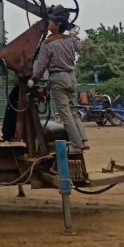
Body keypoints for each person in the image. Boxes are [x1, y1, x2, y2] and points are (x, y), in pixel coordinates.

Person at [29, 17, 89, 153]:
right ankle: (84, 141)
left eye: (51, 22)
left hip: (58, 77)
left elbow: (41, 65)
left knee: (65, 113)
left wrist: (34, 79)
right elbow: (80, 47)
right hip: (71, 77)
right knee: (72, 111)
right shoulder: (69, 39)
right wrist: (74, 34)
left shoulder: (47, 43)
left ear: (57, 25)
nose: (48, 23)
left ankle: (76, 145)